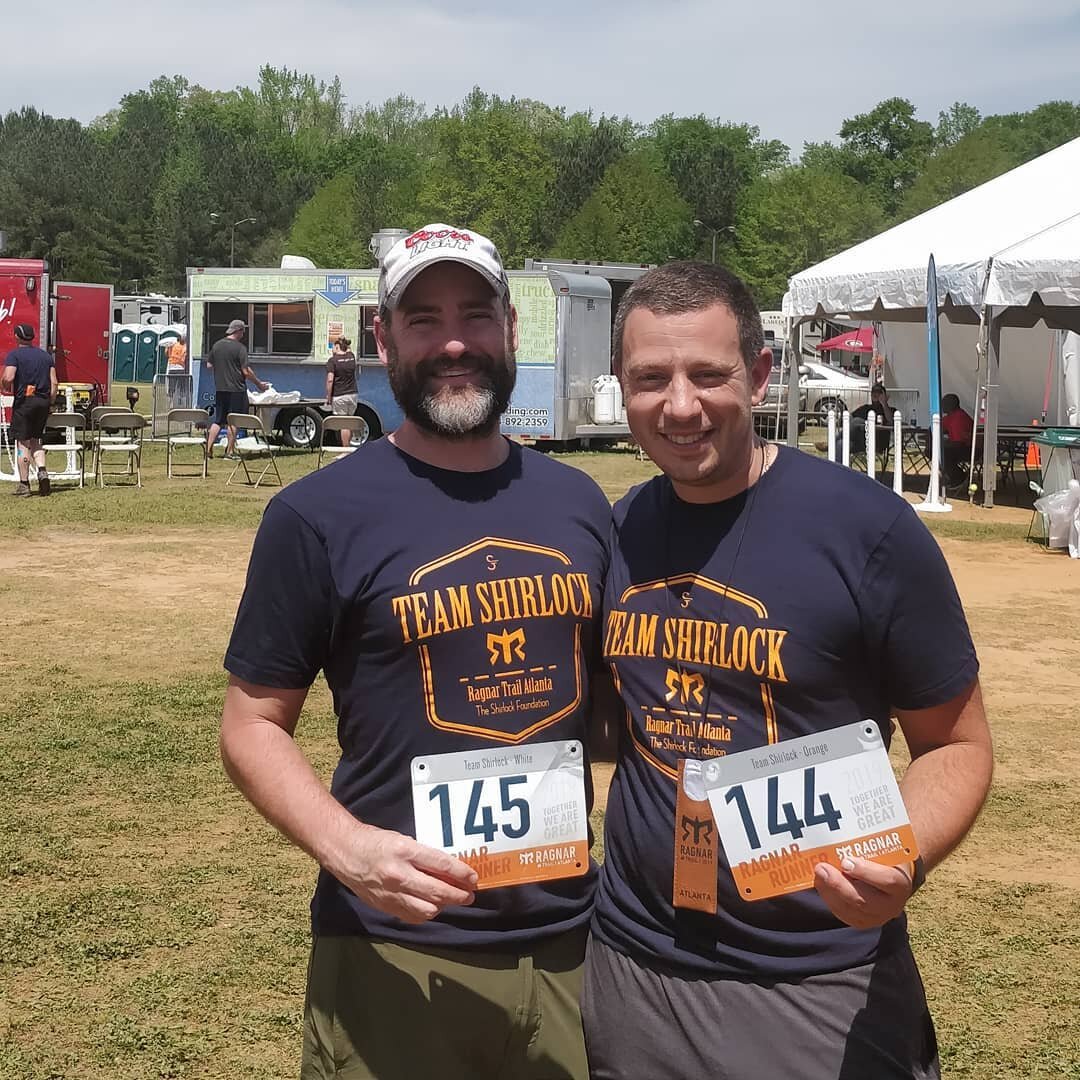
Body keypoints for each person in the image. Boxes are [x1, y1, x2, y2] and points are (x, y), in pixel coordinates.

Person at [583, 261, 993, 1080]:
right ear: (621, 388)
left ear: (762, 374)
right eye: (649, 379)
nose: (680, 406)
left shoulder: (867, 530)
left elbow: (956, 745)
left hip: (815, 974)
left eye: (709, 375)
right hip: (630, 964)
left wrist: (902, 858)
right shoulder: (614, 534)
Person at [219, 224, 611, 1080]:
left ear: (512, 329)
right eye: (424, 319)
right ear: (385, 338)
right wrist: (346, 847)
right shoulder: (317, 516)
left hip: (575, 944)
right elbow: (251, 725)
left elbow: (617, 702)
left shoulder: (579, 504)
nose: (455, 341)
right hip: (398, 945)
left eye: (476, 314)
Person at [2, 322, 58, 497]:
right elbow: (54, 383)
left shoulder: (14, 355)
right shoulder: (46, 357)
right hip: (42, 402)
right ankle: (42, 473)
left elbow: (9, 376)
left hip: (24, 403)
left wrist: (4, 385)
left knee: (22, 443)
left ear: (17, 337)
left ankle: (24, 484)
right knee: (36, 440)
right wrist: (50, 402)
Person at [204, 319, 268, 460]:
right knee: (234, 421)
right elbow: (245, 371)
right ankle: (229, 452)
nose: (243, 334)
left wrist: (222, 369)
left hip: (220, 388)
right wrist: (259, 384)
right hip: (236, 389)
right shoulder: (240, 348)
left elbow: (209, 365)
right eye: (243, 331)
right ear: (238, 331)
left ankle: (208, 451)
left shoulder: (217, 345)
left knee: (218, 420)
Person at [325, 335, 358, 446]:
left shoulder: (332, 361)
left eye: (333, 347)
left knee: (344, 424)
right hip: (353, 394)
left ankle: (346, 449)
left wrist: (328, 396)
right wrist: (344, 341)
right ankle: (348, 444)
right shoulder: (351, 357)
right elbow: (348, 349)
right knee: (350, 422)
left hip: (339, 395)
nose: (332, 349)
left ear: (337, 346)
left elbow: (330, 380)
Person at [941, 392, 975, 489]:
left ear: (950, 405)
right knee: (935, 451)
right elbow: (938, 427)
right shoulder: (951, 416)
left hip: (970, 449)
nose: (942, 407)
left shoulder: (958, 418)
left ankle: (959, 477)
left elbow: (958, 443)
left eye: (944, 404)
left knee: (942, 453)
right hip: (961, 446)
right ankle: (950, 475)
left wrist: (942, 444)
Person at [165, 332, 189, 410]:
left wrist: (167, 348)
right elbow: (184, 358)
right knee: (181, 388)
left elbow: (166, 354)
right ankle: (181, 404)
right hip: (181, 368)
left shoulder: (172, 345)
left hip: (172, 368)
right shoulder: (185, 347)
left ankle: (170, 405)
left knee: (171, 388)